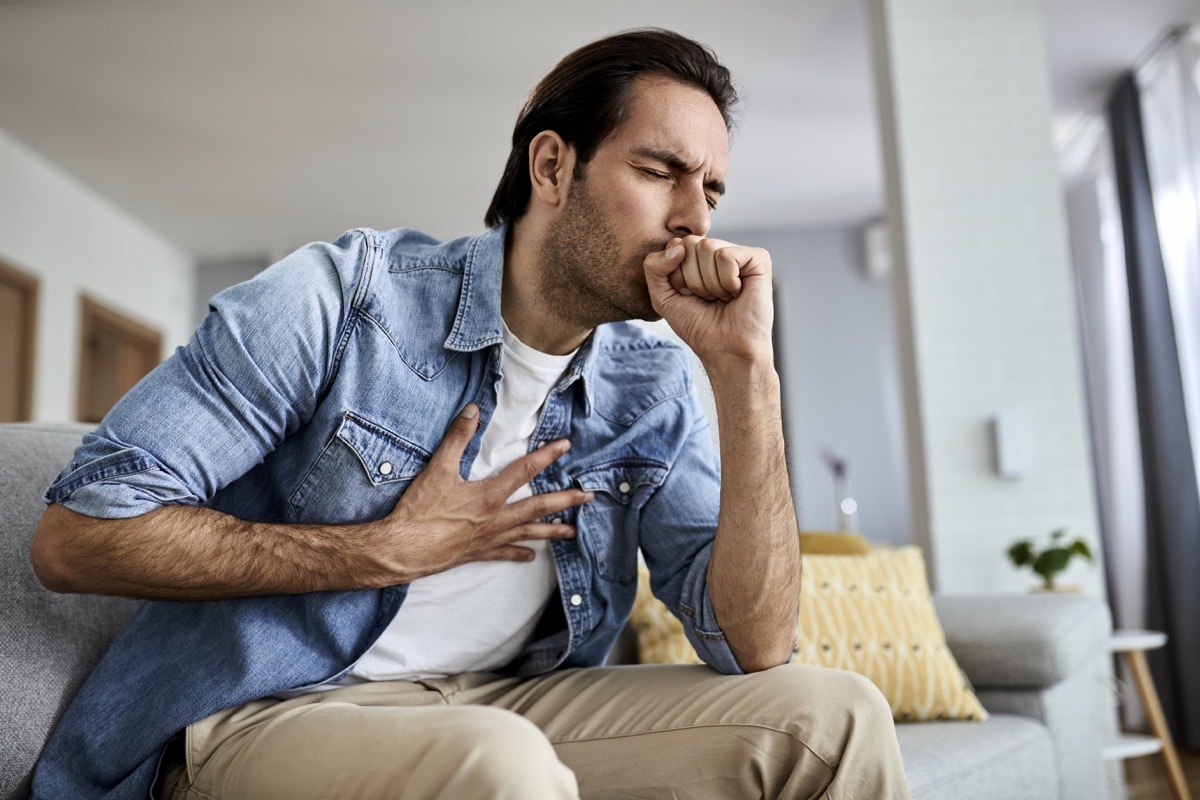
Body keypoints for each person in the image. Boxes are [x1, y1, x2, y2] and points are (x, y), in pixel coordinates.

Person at [29, 28, 910, 800]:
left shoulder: (655, 383)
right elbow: (77, 537)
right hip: (275, 712)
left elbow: (755, 647)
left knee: (834, 717)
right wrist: (385, 551)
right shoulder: (345, 300)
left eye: (711, 191)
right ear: (552, 165)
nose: (693, 219)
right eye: (659, 172)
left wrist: (748, 374)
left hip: (507, 700)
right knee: (501, 764)